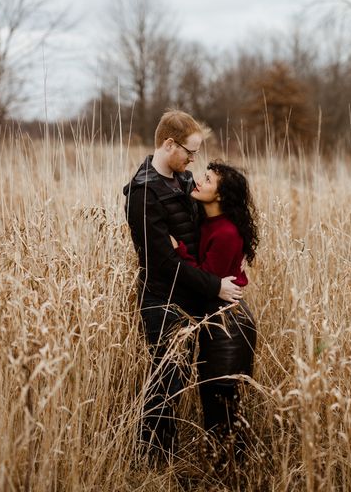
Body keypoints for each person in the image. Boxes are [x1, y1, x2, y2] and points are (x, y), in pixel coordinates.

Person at [123, 111, 243, 460]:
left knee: (196, 377)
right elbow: (164, 263)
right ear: (168, 144)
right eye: (190, 150)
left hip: (194, 296)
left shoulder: (185, 179)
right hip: (162, 300)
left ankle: (207, 452)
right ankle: (153, 461)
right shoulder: (143, 195)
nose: (194, 158)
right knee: (166, 381)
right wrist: (216, 286)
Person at [172, 161, 258, 462]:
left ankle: (232, 475)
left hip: (229, 328)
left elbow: (208, 279)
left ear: (219, 196)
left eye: (207, 180)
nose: (199, 181)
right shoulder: (207, 221)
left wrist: (178, 252)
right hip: (217, 321)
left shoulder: (226, 233)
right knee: (214, 404)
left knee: (222, 407)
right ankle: (223, 472)